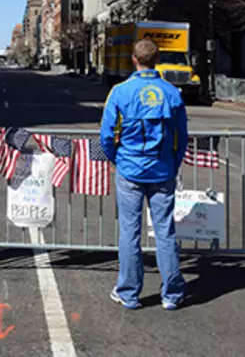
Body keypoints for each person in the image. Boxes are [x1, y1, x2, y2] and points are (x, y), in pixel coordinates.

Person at [100, 38, 188, 310]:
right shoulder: (172, 92)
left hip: (130, 169)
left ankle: (129, 292)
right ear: (157, 60)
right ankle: (171, 295)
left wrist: (117, 159)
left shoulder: (120, 91)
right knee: (165, 232)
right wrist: (172, 164)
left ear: (134, 60)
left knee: (130, 231)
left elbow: (106, 135)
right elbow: (181, 137)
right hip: (162, 170)